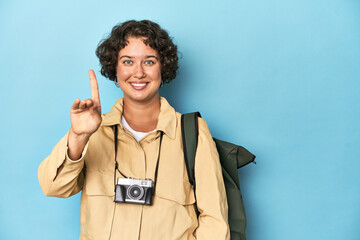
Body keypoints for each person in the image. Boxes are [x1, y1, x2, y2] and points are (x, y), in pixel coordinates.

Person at [38, 20, 229, 240]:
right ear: (115, 68)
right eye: (128, 61)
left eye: (149, 61)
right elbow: (53, 187)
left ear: (163, 66)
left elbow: (215, 222)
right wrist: (78, 136)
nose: (138, 73)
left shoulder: (193, 132)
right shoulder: (92, 131)